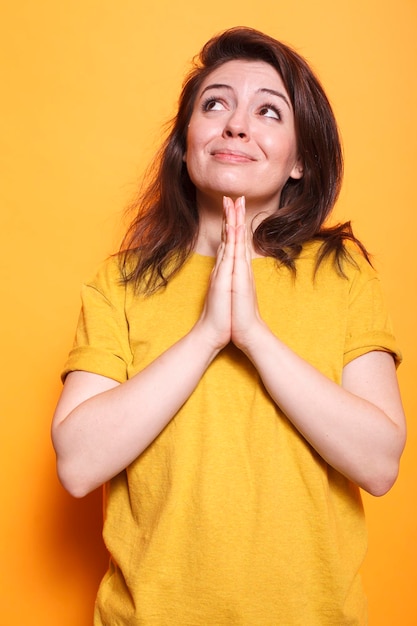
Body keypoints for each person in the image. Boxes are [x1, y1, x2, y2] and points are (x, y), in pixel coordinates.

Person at [52, 26, 406, 625]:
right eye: (214, 104)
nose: (236, 124)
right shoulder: (123, 282)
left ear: (300, 161)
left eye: (268, 110)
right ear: (186, 144)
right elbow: (78, 464)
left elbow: (379, 463)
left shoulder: (342, 276)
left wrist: (257, 338)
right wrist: (207, 334)